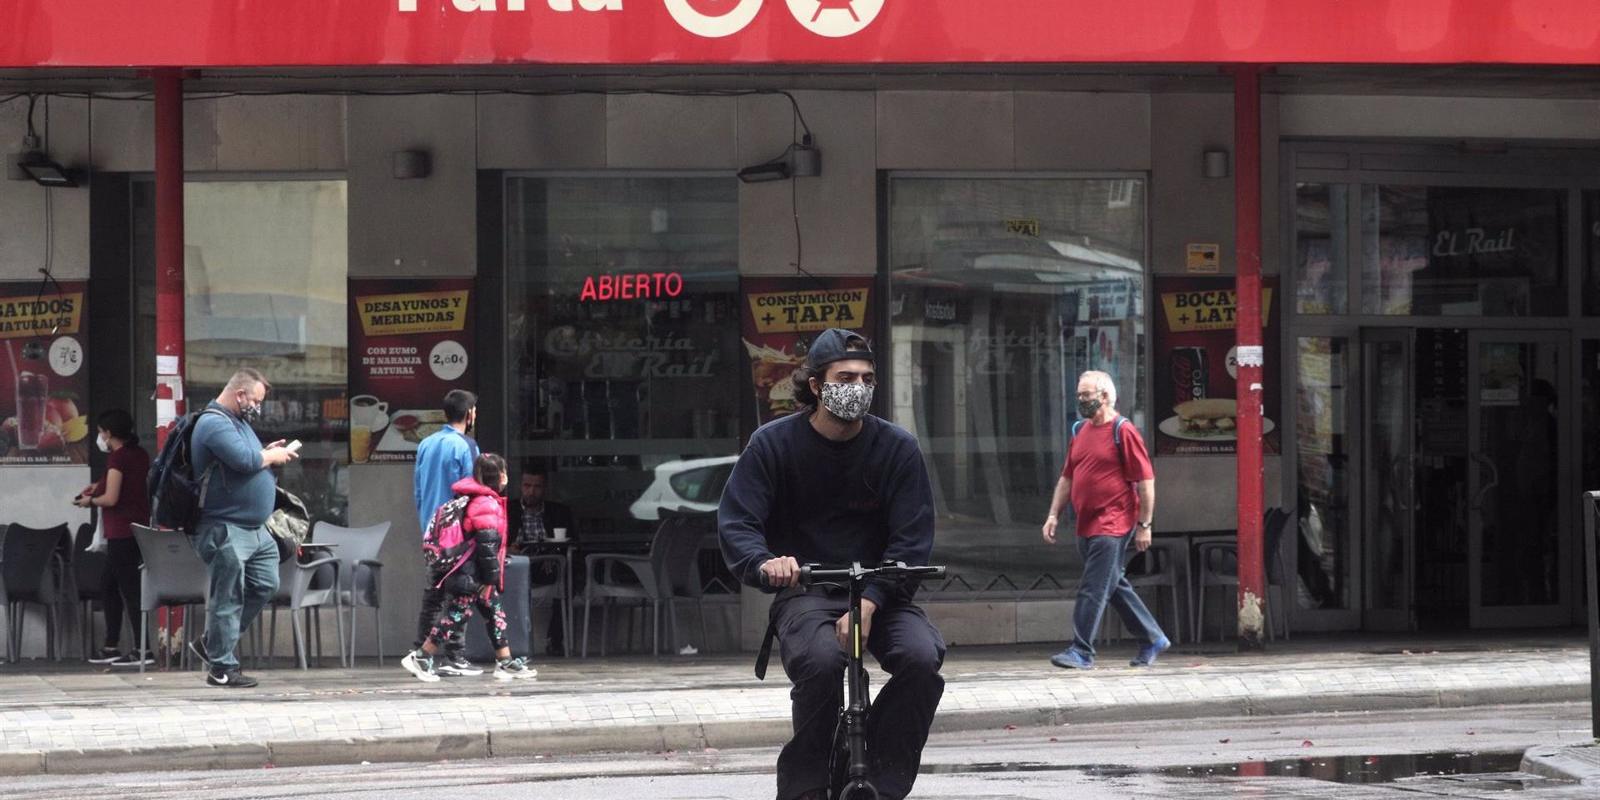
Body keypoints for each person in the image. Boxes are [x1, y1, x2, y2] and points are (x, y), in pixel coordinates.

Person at [719, 328, 944, 800]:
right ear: (817, 385)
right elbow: (738, 522)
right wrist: (766, 563)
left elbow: (912, 538)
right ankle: (807, 787)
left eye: (867, 378)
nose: (858, 387)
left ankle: (879, 780)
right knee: (821, 662)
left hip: (882, 591)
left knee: (922, 659)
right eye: (845, 377)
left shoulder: (897, 448)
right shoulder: (773, 444)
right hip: (808, 591)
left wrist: (874, 602)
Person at [1042, 370, 1168, 670]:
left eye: (1087, 395)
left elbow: (1146, 482)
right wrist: (1053, 515)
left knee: (1093, 587)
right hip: (1086, 524)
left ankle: (1081, 650)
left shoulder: (1123, 431)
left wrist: (1144, 525)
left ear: (1106, 396)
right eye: (1079, 395)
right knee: (1112, 584)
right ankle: (1153, 637)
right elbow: (1067, 478)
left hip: (1113, 524)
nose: (1082, 400)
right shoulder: (1080, 431)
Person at [189, 368, 300, 688]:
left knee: (265, 583)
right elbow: (245, 461)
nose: (258, 407)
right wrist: (270, 455)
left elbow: (250, 457)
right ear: (240, 395)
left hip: (254, 528)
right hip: (225, 527)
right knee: (229, 595)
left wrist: (267, 450)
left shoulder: (238, 423)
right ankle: (221, 668)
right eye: (256, 400)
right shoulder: (213, 422)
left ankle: (212, 643)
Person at [402, 453, 537, 683]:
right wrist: (489, 579)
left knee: (494, 613)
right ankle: (422, 657)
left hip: (473, 572)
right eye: (504, 472)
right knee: (454, 616)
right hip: (472, 574)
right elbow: (486, 546)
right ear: (500, 476)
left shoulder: (477, 499)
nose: (506, 476)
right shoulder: (486, 504)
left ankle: (504, 661)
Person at [412, 389, 482, 677]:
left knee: (433, 594)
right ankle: (455, 654)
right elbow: (472, 491)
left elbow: (418, 489)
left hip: (431, 529)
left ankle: (420, 651)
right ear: (470, 414)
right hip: (458, 534)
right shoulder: (467, 446)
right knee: (460, 593)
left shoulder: (426, 444)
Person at [75, 409, 152, 667]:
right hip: (137, 528)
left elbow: (112, 498)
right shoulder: (138, 455)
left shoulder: (118, 458)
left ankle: (143, 648)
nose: (99, 437)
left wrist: (90, 501)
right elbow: (127, 485)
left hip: (121, 531)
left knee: (129, 589)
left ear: (108, 433)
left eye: (100, 433)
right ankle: (111, 645)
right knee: (109, 584)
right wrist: (98, 486)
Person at [507, 466, 574, 656]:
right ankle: (509, 644)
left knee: (570, 581)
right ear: (520, 486)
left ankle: (555, 639)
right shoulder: (508, 510)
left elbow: (573, 542)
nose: (531, 491)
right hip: (516, 567)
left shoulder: (558, 512)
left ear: (545, 488)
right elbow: (495, 542)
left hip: (549, 566)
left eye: (537, 486)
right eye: (527, 486)